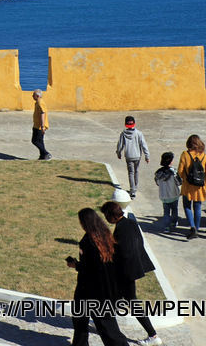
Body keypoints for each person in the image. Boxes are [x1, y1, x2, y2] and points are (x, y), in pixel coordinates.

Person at [101, 201, 161, 346]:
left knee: (131, 302)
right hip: (132, 269)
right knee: (113, 299)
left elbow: (123, 252)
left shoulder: (121, 228)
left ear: (111, 215)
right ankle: (105, 325)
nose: (106, 219)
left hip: (125, 272)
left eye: (106, 216)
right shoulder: (131, 223)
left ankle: (153, 335)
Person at [65, 207, 127, 346]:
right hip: (105, 287)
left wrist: (76, 265)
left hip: (92, 289)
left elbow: (90, 267)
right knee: (86, 319)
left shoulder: (88, 241)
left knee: (104, 326)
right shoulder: (105, 236)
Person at [177, 134, 206, 239]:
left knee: (187, 206)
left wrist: (184, 177)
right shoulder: (204, 156)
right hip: (200, 186)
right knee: (197, 207)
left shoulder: (185, 154)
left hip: (188, 184)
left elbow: (180, 171)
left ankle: (192, 227)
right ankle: (197, 227)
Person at [116, 115, 150, 198]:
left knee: (131, 172)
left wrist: (118, 152)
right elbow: (143, 144)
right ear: (134, 123)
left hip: (128, 156)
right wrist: (147, 155)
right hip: (137, 156)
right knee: (136, 171)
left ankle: (132, 190)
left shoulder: (123, 133)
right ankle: (135, 188)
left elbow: (120, 145)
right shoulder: (139, 133)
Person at [153, 151, 180, 233]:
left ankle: (166, 227)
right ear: (171, 161)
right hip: (174, 194)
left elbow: (157, 183)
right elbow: (179, 182)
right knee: (174, 209)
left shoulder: (158, 173)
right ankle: (174, 222)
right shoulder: (174, 172)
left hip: (164, 195)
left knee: (166, 212)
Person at [31, 89, 52, 160]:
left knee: (35, 141)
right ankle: (42, 156)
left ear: (37, 96)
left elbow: (42, 115)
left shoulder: (40, 103)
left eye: (33, 95)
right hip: (36, 125)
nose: (32, 96)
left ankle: (46, 153)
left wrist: (42, 127)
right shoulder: (37, 103)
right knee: (40, 141)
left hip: (39, 126)